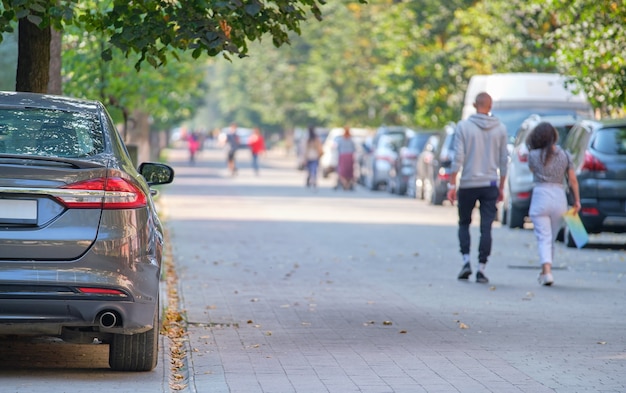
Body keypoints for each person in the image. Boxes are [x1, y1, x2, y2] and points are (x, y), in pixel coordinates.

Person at [447, 92, 508, 284]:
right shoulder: (500, 129)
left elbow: (458, 157)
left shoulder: (463, 127)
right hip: (490, 183)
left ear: (474, 105)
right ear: (490, 106)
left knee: (464, 223)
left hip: (468, 183)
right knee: (486, 227)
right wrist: (501, 186)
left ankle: (466, 261)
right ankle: (482, 268)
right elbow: (503, 161)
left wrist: (452, 182)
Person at [526, 122, 581, 286]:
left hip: (541, 196)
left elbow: (532, 171)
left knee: (544, 237)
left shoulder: (533, 155)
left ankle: (547, 272)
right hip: (559, 198)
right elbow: (572, 180)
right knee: (550, 237)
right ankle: (545, 271)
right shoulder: (565, 155)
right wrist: (577, 200)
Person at [335, 126, 356, 190]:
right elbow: (354, 149)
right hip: (349, 156)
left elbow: (338, 148)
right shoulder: (351, 140)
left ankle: (345, 184)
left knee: (343, 171)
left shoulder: (341, 140)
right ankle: (347, 184)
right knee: (348, 171)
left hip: (343, 156)